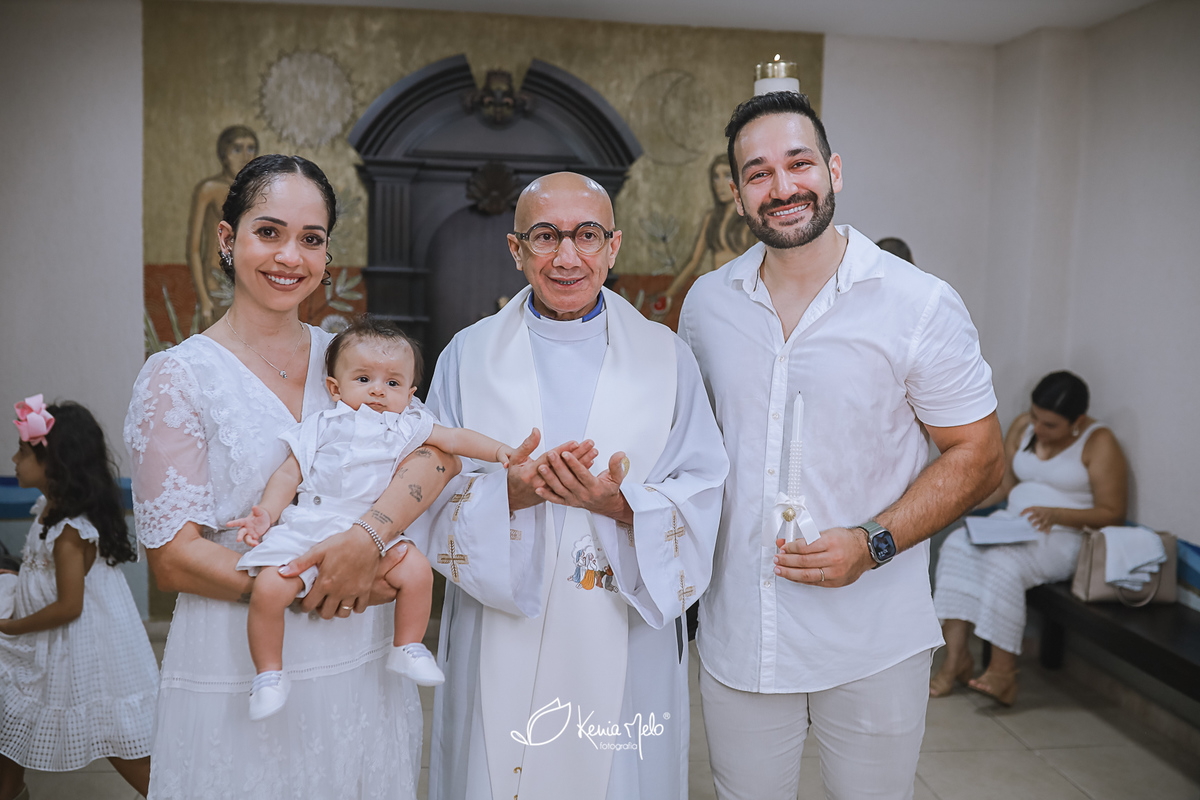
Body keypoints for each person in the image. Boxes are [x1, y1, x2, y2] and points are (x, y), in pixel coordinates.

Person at [679, 92, 1005, 800]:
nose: (782, 187)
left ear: (832, 170)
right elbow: (693, 450)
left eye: (799, 163)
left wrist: (873, 542)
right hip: (741, 632)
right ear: (737, 194)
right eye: (759, 173)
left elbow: (981, 456)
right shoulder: (706, 305)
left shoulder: (917, 303)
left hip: (872, 636)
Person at [125, 154, 461, 799]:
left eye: (311, 238)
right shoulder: (178, 376)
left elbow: (437, 453)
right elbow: (173, 559)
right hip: (240, 662)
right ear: (228, 239)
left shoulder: (351, 358)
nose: (290, 256)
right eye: (269, 232)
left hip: (360, 663)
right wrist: (319, 583)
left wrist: (366, 540)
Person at [405, 172, 729, 800]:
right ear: (516, 249)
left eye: (587, 235)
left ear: (613, 246)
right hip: (501, 615)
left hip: (622, 616)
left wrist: (620, 504)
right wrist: (511, 493)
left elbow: (704, 487)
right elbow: (424, 484)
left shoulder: (666, 357)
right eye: (546, 236)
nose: (567, 257)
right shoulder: (467, 356)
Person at [228, 316, 529, 720]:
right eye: (364, 379)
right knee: (268, 588)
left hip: (375, 531)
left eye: (392, 383)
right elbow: (288, 475)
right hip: (312, 524)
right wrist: (266, 513)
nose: (378, 391)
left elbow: (455, 439)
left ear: (410, 393)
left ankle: (408, 645)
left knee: (417, 572)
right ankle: (268, 673)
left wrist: (501, 452)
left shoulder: (407, 426)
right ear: (335, 388)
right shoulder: (321, 425)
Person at [931, 371, 1127, 705]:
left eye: (1049, 425)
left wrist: (1059, 514)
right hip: (1014, 525)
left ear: (1078, 421)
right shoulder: (1025, 426)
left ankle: (1003, 672)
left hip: (1065, 536)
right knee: (957, 544)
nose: (1037, 428)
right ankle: (956, 659)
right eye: (1035, 416)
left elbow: (1113, 512)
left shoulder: (1099, 442)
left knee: (1002, 563)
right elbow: (1005, 486)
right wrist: (960, 504)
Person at [1, 397, 158, 800]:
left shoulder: (70, 531)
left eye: (22, 452)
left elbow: (69, 606)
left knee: (117, 738)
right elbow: (42, 574)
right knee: (10, 714)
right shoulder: (47, 509)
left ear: (54, 463)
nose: (14, 460)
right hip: (51, 641)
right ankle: (10, 789)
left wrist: (10, 627)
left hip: (85, 649)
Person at [652, 154, 757, 327]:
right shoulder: (712, 218)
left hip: (744, 294)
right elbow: (694, 261)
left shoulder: (751, 218)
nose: (720, 184)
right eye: (715, 177)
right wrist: (669, 294)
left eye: (726, 175)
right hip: (718, 292)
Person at [186, 125, 259, 328]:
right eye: (237, 149)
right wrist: (204, 299)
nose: (245, 156)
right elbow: (193, 249)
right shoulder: (209, 190)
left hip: (249, 284)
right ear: (223, 155)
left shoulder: (257, 191)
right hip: (215, 284)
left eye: (250, 148)